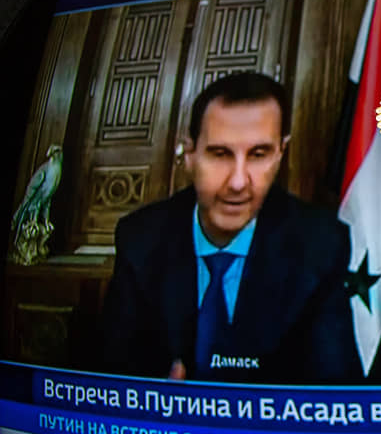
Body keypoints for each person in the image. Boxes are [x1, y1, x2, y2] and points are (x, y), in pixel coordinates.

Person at [100, 72, 363, 383]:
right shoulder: (139, 238)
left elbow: (332, 391)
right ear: (190, 154)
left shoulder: (321, 244)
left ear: (280, 153)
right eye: (220, 154)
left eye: (259, 155)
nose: (238, 182)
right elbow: (114, 378)